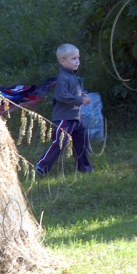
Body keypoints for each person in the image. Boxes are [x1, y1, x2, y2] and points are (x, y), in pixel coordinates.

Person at [35, 44, 94, 176]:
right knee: (60, 142)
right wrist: (80, 100)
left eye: (78, 58)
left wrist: (81, 95)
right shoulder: (64, 77)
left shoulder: (72, 75)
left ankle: (84, 168)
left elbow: (71, 93)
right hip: (64, 118)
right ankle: (41, 167)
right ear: (62, 61)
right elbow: (62, 96)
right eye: (73, 58)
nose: (77, 61)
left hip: (76, 117)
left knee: (81, 142)